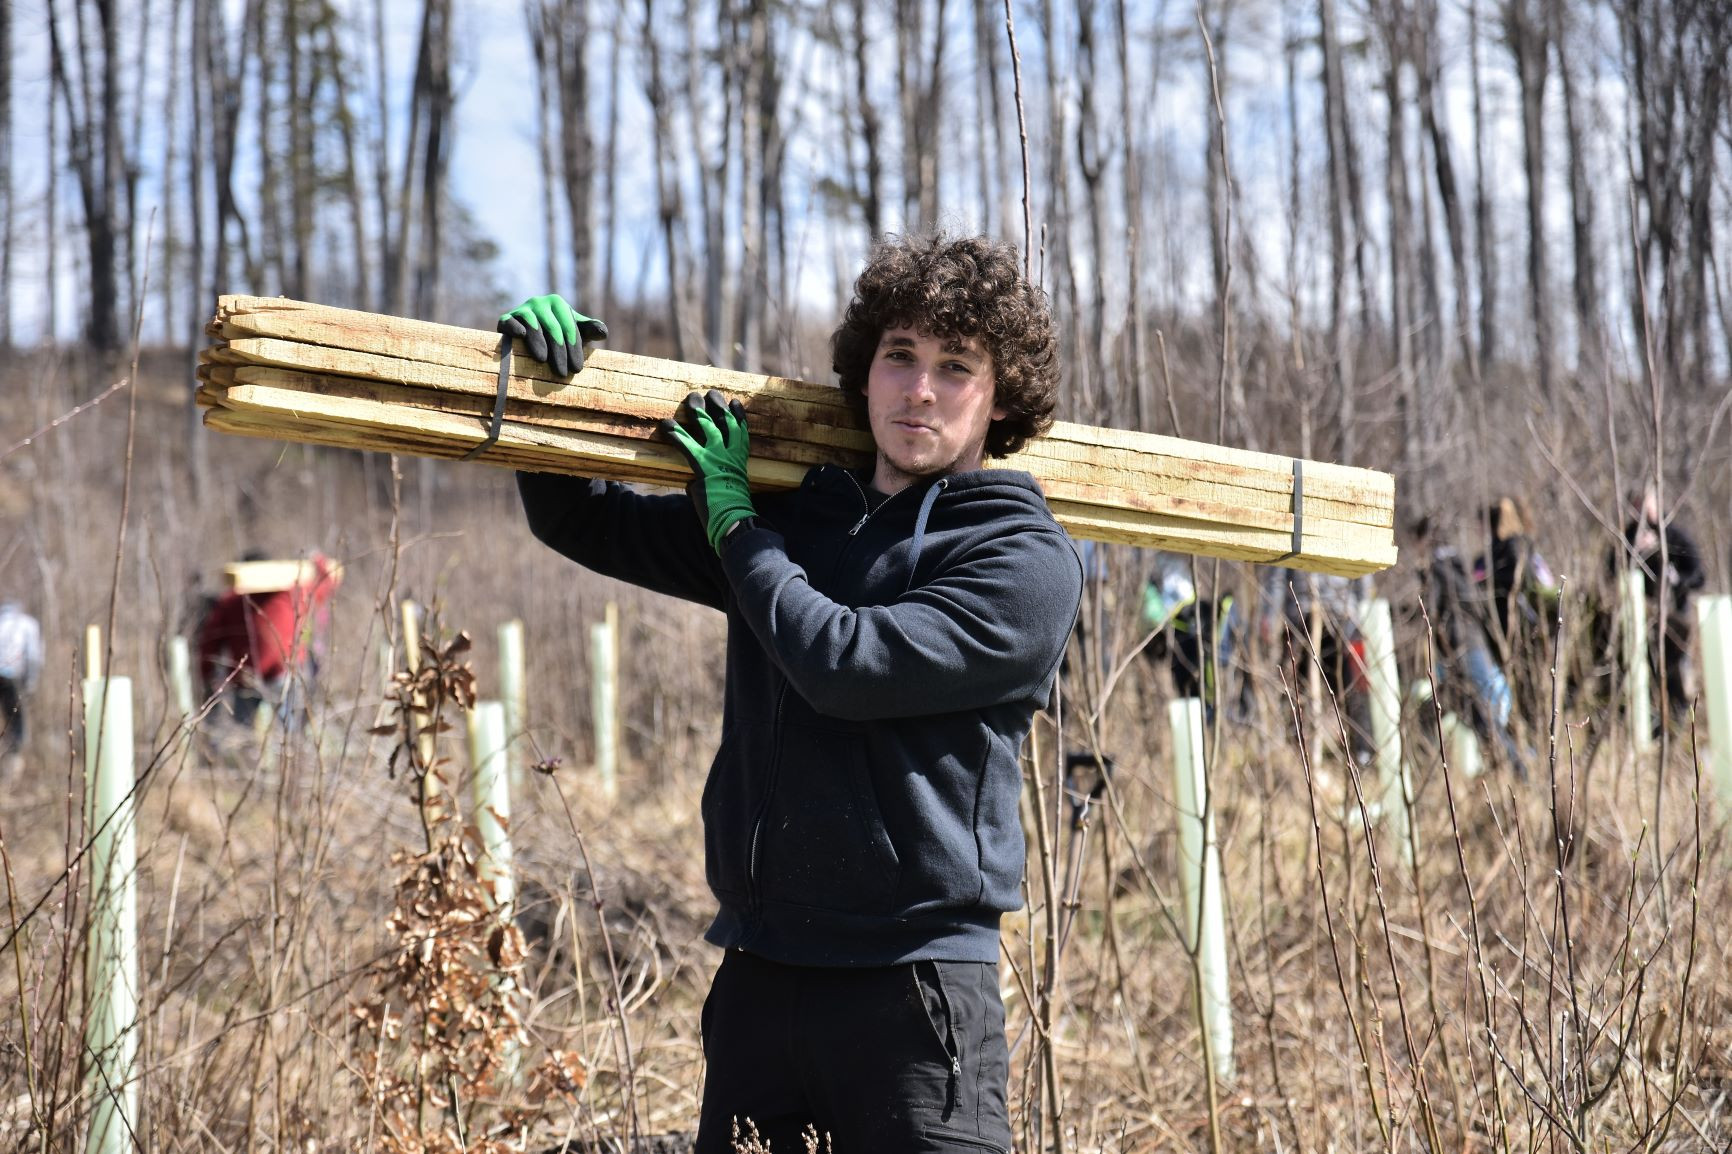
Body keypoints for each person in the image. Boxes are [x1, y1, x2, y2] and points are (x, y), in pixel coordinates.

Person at [507, 232, 1083, 1154]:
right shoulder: (798, 524)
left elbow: (843, 666)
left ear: (1001, 395)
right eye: (900, 356)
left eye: (956, 367)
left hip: (915, 992)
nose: (919, 389)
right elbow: (584, 521)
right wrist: (548, 393)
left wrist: (736, 526)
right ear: (864, 374)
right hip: (759, 983)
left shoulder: (1021, 562)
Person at [1413, 515, 1529, 778]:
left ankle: (1519, 771)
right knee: (1467, 714)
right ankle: (1508, 770)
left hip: (1461, 650)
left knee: (1482, 717)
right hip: (1476, 646)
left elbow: (1428, 613)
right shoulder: (1459, 564)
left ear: (1423, 540)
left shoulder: (1435, 569)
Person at [196, 553, 342, 730]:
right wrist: (319, 563)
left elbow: (210, 642)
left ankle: (250, 745)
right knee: (288, 730)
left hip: (250, 675)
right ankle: (288, 744)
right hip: (279, 671)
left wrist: (206, 673)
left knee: (245, 731)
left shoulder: (230, 601)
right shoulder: (293, 594)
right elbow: (325, 585)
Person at [1609, 485, 1707, 727]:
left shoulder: (1673, 534)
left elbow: (1698, 575)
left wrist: (1677, 580)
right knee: (1644, 672)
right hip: (1640, 621)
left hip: (1675, 619)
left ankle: (1679, 722)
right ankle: (1651, 723)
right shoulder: (1628, 537)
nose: (1642, 510)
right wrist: (1635, 552)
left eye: (1646, 504)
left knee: (1676, 672)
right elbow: (1612, 571)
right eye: (1637, 505)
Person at [1259, 566, 1373, 764]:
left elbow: (1363, 574)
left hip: (1341, 617)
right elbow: (1278, 575)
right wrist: (1270, 616)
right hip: (1301, 618)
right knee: (1296, 691)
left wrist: (1363, 617)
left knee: (1349, 689)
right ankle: (1298, 753)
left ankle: (1361, 753)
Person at [1472, 495, 1560, 725]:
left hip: (1520, 629)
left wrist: (1486, 581)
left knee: (1525, 687)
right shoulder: (1499, 550)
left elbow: (1519, 580)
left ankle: (1529, 730)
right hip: (1504, 630)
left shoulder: (1514, 546)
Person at [1141, 553, 1241, 722]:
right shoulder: (1160, 569)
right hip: (1181, 632)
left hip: (1186, 631)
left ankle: (1208, 717)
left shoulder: (1169, 569)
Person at [0, 600, 44, 768]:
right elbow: (33, 657)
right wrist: (30, 683)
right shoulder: (27, 624)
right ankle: (13, 763)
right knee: (16, 720)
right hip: (13, 676)